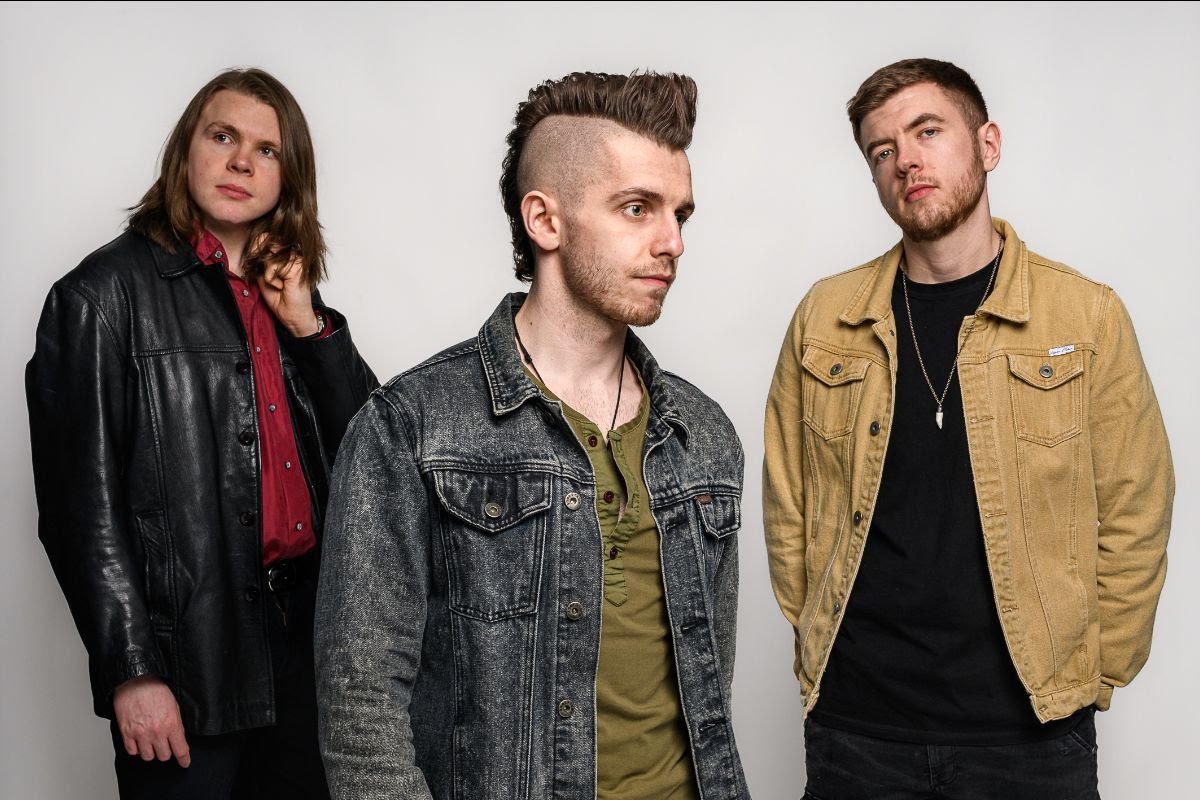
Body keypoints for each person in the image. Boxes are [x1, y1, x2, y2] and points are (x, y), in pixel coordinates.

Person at [315, 70, 749, 800]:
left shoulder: (703, 435)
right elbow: (362, 710)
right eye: (637, 208)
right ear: (544, 221)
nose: (672, 241)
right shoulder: (411, 426)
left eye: (680, 213)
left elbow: (710, 689)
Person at [763, 58, 1174, 799]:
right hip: (858, 729)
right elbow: (787, 500)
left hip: (1031, 737)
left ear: (988, 144)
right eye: (881, 150)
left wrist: (1091, 673)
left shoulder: (1086, 317)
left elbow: (1137, 506)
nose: (905, 161)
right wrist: (817, 640)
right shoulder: (826, 317)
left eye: (927, 132)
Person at [26, 67, 376, 799]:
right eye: (223, 137)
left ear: (289, 176)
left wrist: (308, 326)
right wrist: (132, 672)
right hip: (190, 666)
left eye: (267, 150)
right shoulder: (99, 299)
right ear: (187, 149)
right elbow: (79, 514)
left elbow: (375, 459)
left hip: (308, 653)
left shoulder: (291, 301)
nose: (242, 162)